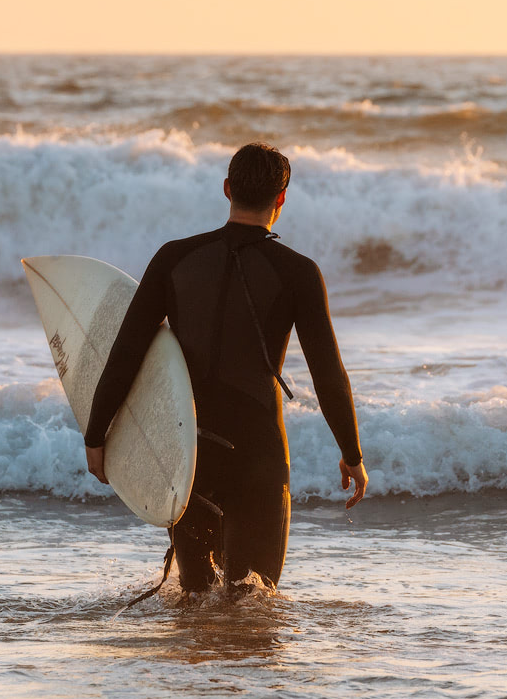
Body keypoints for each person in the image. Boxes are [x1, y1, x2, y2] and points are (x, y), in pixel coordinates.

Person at [84, 142, 368, 593]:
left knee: (195, 604)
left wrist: (96, 433)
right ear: (282, 198)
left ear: (227, 189)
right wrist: (351, 454)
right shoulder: (298, 272)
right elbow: (326, 371)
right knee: (253, 604)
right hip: (257, 451)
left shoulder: (174, 259)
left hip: (190, 450)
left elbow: (127, 352)